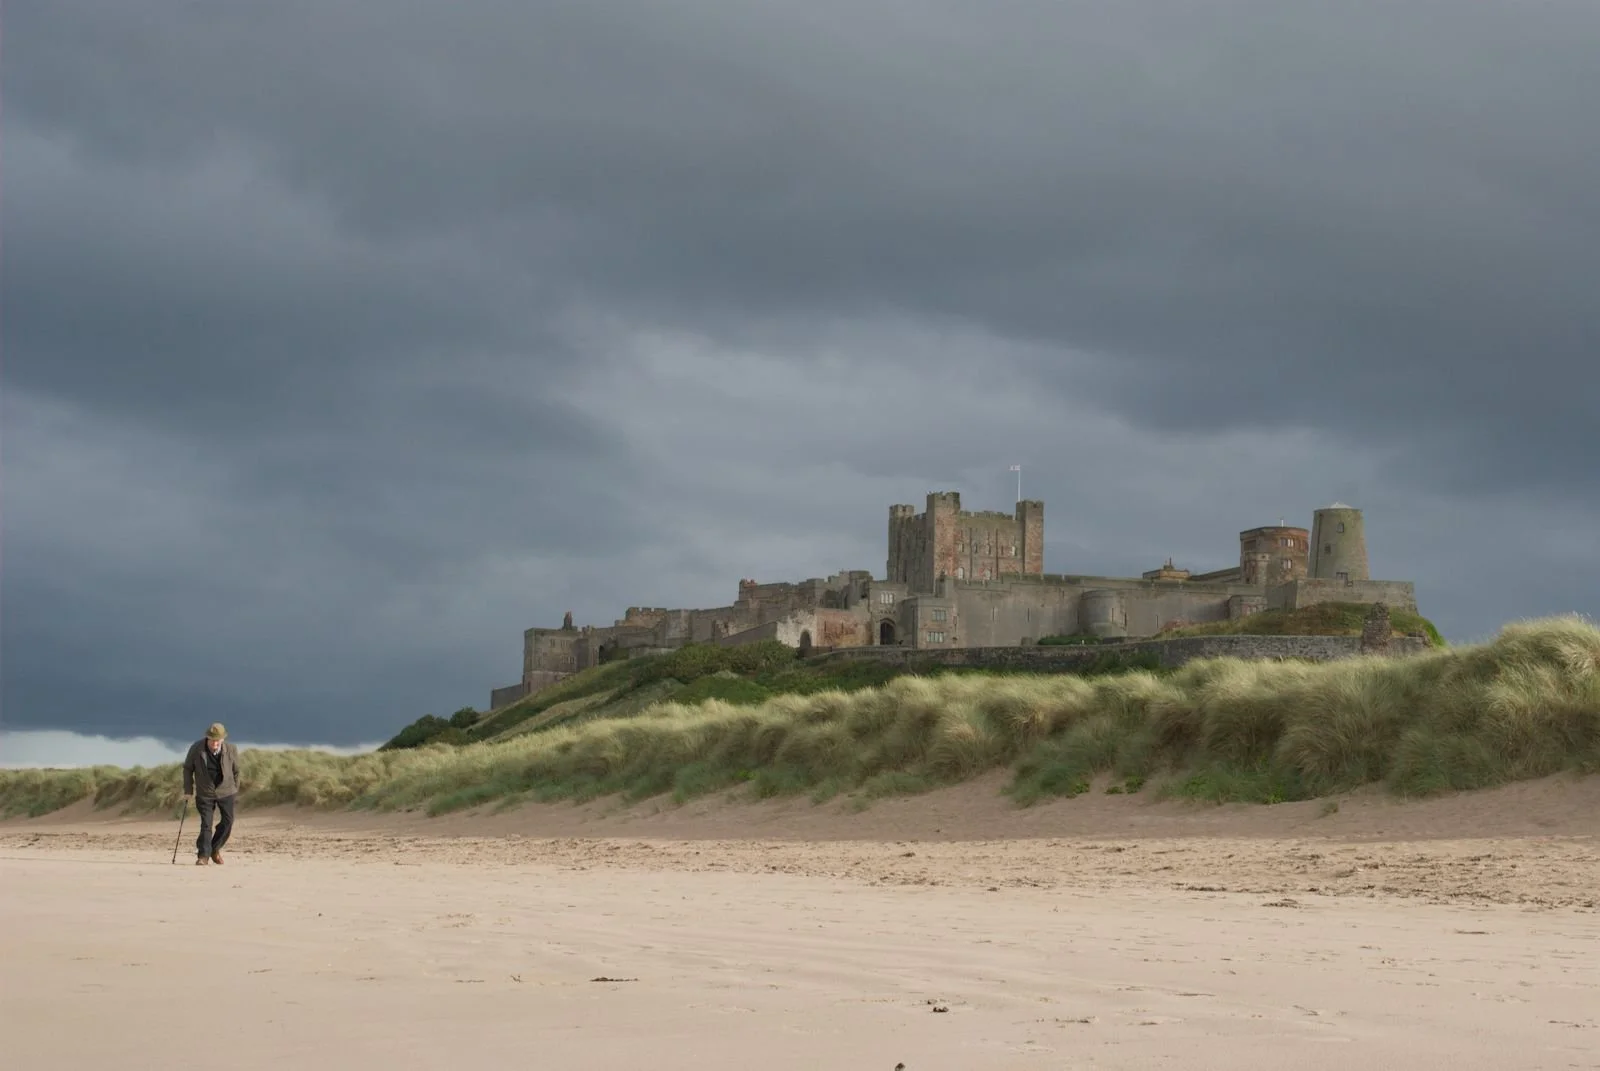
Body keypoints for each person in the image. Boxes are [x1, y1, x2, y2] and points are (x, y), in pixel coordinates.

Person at [182, 722, 241, 866]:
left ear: (223, 739)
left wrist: (235, 788)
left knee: (228, 822)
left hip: (226, 791)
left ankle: (214, 849)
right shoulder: (196, 748)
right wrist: (188, 790)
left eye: (217, 740)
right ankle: (203, 855)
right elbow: (188, 769)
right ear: (207, 738)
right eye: (212, 740)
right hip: (205, 792)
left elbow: (237, 770)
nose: (215, 743)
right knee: (206, 825)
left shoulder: (231, 749)